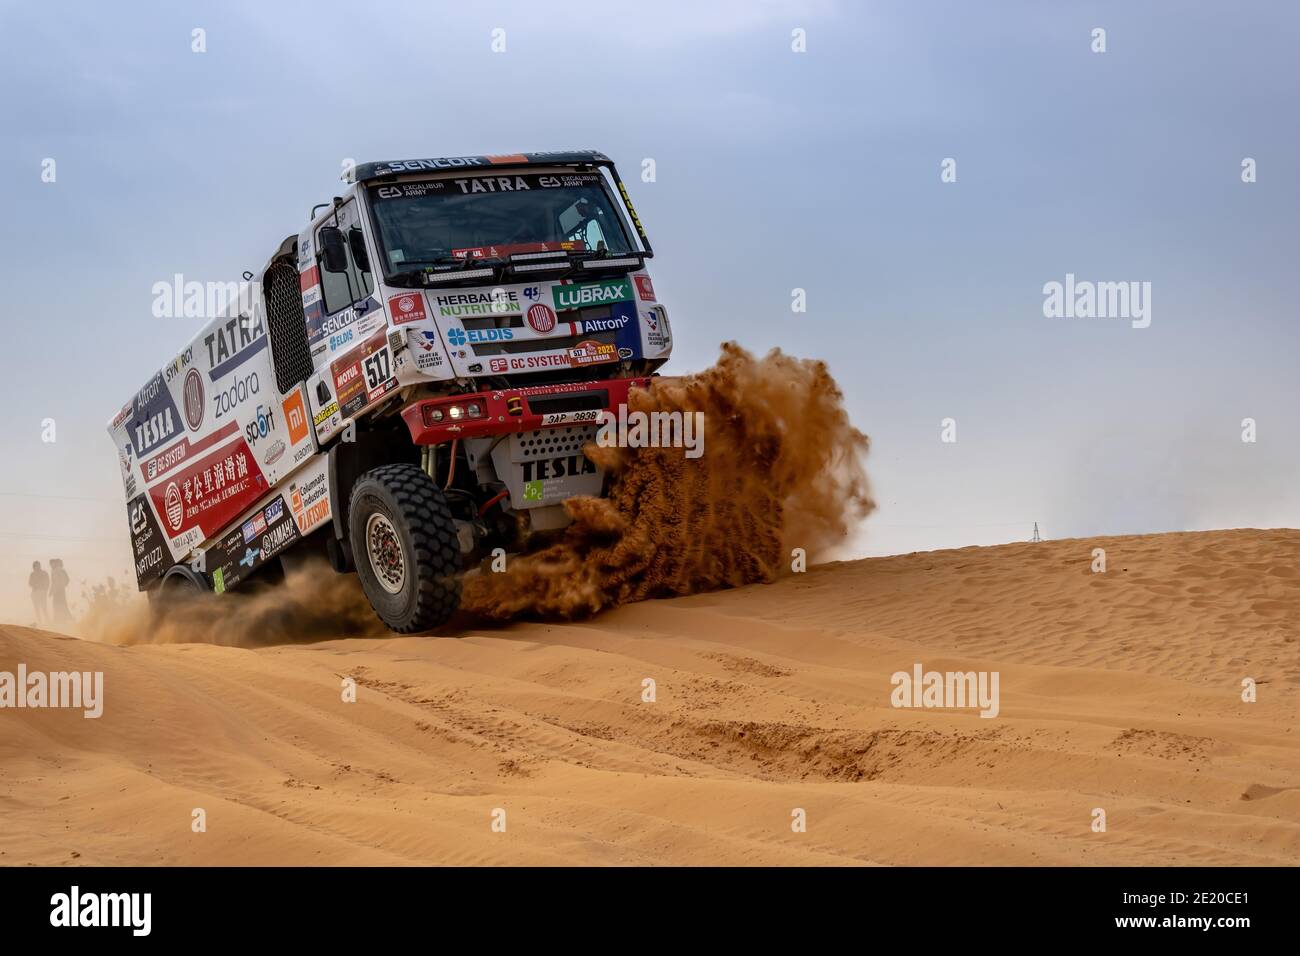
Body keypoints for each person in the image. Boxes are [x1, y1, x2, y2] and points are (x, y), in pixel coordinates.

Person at [49, 558, 71, 625]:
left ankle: (61, 620)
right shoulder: (54, 570)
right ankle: (61, 620)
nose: (51, 565)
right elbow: (53, 582)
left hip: (59, 591)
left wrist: (61, 586)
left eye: (52, 563)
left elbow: (66, 579)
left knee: (60, 605)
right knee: (60, 604)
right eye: (50, 564)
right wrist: (51, 590)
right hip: (58, 591)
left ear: (55, 563)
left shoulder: (59, 570)